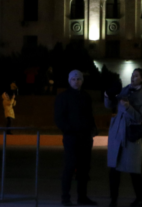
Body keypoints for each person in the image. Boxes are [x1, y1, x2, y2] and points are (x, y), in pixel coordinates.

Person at [104, 68, 142, 207]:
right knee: (114, 169)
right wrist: (107, 95)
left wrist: (128, 107)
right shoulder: (124, 89)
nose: (133, 77)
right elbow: (110, 105)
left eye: (136, 76)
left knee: (133, 169)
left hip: (131, 134)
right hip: (117, 133)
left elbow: (140, 117)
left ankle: (140, 198)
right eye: (132, 75)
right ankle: (113, 199)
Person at [54, 70, 98, 206]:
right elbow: (59, 118)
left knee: (84, 168)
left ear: (82, 81)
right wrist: (69, 130)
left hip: (85, 137)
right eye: (73, 79)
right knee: (70, 167)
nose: (76, 81)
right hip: (71, 138)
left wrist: (92, 129)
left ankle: (82, 197)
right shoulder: (63, 97)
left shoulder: (86, 96)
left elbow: (89, 115)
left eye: (78, 79)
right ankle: (65, 198)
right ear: (69, 80)